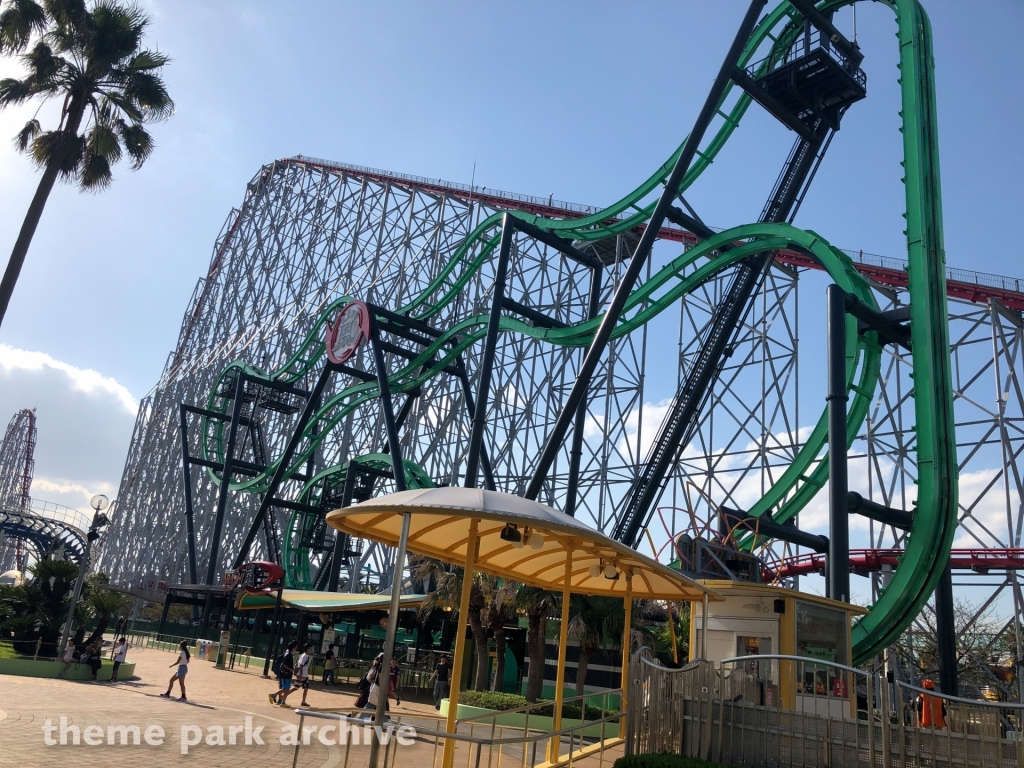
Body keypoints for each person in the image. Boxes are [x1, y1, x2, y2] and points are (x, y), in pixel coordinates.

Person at [280, 643, 312, 708]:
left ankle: (303, 701)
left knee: (306, 688)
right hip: (302, 675)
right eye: (310, 648)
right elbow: (301, 665)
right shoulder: (304, 656)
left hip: (305, 675)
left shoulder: (305, 656)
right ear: (307, 649)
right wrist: (300, 675)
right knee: (295, 688)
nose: (311, 650)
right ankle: (283, 696)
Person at [269, 642, 297, 706]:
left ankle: (283, 702)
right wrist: (291, 670)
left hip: (288, 675)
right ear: (292, 648)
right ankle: (273, 695)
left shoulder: (290, 655)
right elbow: (284, 664)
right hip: (285, 675)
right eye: (295, 647)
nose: (296, 649)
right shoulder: (288, 655)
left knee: (287, 689)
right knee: (286, 689)